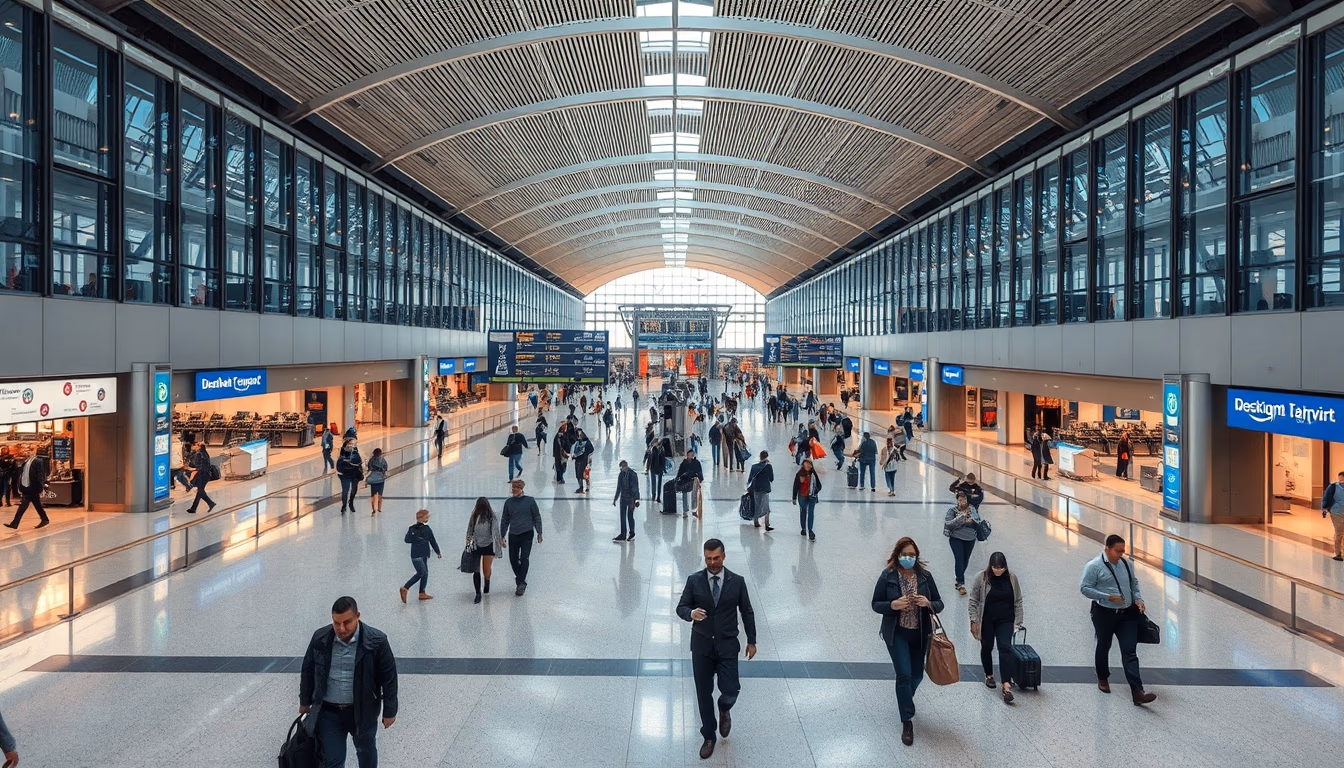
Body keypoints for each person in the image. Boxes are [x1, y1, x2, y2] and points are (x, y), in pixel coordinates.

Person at [676, 538, 757, 760]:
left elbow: (747, 611)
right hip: (701, 646)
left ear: (724, 556)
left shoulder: (737, 582)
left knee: (731, 688)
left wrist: (751, 640)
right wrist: (690, 613)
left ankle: (724, 708)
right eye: (708, 558)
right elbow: (681, 607)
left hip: (727, 645)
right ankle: (709, 736)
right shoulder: (694, 580)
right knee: (703, 693)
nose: (712, 562)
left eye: (716, 558)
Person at [299, 596, 398, 768]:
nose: (341, 629)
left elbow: (389, 678)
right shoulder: (320, 638)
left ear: (358, 616)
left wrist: (390, 711)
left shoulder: (377, 641)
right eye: (336, 623)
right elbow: (308, 670)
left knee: (366, 752)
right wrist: (305, 702)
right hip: (329, 712)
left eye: (347, 622)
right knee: (332, 761)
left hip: (363, 711)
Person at [871, 536, 943, 746]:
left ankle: (905, 699)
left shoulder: (925, 577)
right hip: (897, 633)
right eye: (905, 555)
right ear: (897, 555)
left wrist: (928, 603)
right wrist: (892, 605)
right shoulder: (888, 576)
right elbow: (875, 603)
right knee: (904, 674)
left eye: (912, 555)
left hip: (920, 634)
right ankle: (907, 720)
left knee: (917, 675)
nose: (908, 558)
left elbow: (939, 603)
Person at [1080, 534, 1157, 705]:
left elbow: (1134, 584)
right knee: (1104, 645)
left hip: (1127, 615)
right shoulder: (1094, 566)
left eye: (1123, 550)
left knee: (1130, 651)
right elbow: (1084, 588)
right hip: (1104, 613)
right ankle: (1102, 677)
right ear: (1107, 548)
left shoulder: (1127, 564)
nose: (1121, 553)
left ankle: (1138, 691)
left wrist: (1138, 599)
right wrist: (1107, 596)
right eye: (1118, 550)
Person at [968, 551, 1023, 704]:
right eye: (995, 567)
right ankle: (989, 674)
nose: (998, 570)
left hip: (1006, 620)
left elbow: (1018, 600)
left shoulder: (1012, 579)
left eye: (1001, 567)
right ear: (990, 566)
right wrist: (973, 620)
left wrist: (1019, 621)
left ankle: (1006, 684)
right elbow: (973, 600)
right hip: (987, 620)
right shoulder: (981, 578)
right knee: (987, 647)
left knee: (1005, 648)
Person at [499, 479, 543, 596]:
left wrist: (539, 533)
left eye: (516, 488)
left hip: (527, 533)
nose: (513, 490)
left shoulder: (530, 501)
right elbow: (505, 519)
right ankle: (520, 579)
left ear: (521, 488)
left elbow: (536, 517)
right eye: (512, 487)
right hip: (513, 534)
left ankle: (521, 583)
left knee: (524, 558)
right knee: (513, 559)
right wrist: (502, 535)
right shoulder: (508, 502)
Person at [944, 492, 982, 594]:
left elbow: (978, 521)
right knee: (959, 559)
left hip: (970, 538)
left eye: (964, 499)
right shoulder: (952, 511)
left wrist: (972, 521)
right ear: (957, 500)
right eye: (960, 500)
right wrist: (961, 520)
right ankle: (960, 583)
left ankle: (958, 575)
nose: (963, 502)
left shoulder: (972, 509)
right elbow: (948, 523)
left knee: (965, 559)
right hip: (956, 538)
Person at [465, 497, 503, 604]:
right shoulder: (474, 516)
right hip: (476, 545)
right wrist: (468, 539)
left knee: (486, 569)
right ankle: (478, 593)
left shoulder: (492, 516)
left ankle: (487, 584)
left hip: (488, 545)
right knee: (476, 570)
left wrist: (498, 544)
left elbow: (496, 531)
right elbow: (470, 528)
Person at [400, 509, 442, 602]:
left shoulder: (424, 529)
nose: (428, 519)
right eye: (426, 517)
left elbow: (432, 540)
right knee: (421, 572)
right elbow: (407, 540)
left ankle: (422, 592)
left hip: (422, 554)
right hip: (418, 555)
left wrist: (438, 551)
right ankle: (405, 587)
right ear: (421, 518)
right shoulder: (414, 529)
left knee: (425, 573)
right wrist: (438, 552)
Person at [791, 458, 822, 541]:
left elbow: (819, 485)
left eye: (809, 464)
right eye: (806, 464)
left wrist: (815, 491)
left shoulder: (813, 474)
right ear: (803, 465)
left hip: (812, 496)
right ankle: (803, 528)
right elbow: (795, 486)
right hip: (802, 495)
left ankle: (810, 531)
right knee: (803, 511)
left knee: (811, 512)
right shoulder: (799, 474)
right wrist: (794, 497)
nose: (808, 466)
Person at [612, 459, 641, 542]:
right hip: (623, 498)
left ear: (626, 466)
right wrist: (615, 498)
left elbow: (635, 488)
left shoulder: (633, 474)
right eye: (622, 467)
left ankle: (632, 532)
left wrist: (636, 499)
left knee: (630, 515)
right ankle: (623, 534)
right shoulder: (621, 475)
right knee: (623, 516)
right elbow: (619, 487)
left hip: (631, 498)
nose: (623, 468)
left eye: (624, 466)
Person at [184, 442, 215, 516]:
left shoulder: (198, 454)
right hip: (206, 474)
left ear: (197, 446)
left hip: (202, 475)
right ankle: (196, 507)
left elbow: (199, 468)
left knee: (200, 491)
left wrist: (190, 470)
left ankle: (209, 504)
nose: (192, 447)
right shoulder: (204, 452)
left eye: (193, 446)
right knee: (200, 491)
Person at [747, 450, 774, 531]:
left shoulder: (754, 467)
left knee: (757, 505)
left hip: (756, 488)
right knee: (766, 507)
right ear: (767, 457)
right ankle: (767, 524)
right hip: (765, 488)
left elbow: (750, 479)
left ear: (760, 457)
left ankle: (756, 521)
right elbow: (771, 478)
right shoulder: (768, 466)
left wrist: (748, 488)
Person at [336, 437, 363, 514]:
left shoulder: (355, 452)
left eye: (352, 444)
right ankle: (344, 505)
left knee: (354, 490)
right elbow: (339, 464)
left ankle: (351, 501)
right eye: (349, 443)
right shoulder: (342, 452)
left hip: (354, 474)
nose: (350, 445)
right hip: (345, 475)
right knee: (345, 491)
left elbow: (359, 461)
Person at [675, 448, 704, 517]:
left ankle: (694, 510)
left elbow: (699, 472)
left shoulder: (696, 462)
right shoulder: (684, 463)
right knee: (685, 495)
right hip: (685, 480)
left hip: (693, 480)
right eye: (689, 454)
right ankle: (685, 511)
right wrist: (677, 479)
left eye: (691, 454)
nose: (690, 456)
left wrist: (700, 480)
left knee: (694, 495)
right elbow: (679, 473)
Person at [1323, 470, 1344, 561]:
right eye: (1340, 479)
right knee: (1339, 532)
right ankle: (1338, 553)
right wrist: (1324, 508)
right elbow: (1326, 497)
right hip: (1336, 512)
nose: (1341, 481)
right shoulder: (1333, 486)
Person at [365, 448, 388, 515]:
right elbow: (386, 468)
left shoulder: (371, 460)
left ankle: (373, 509)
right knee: (380, 495)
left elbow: (369, 468)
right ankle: (379, 508)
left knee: (373, 495)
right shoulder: (383, 460)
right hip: (381, 479)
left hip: (373, 480)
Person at [571, 429, 594, 494]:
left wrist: (587, 458)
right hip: (578, 460)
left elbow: (591, 450)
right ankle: (580, 487)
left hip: (584, 460)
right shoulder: (577, 442)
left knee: (585, 474)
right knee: (578, 474)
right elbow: (574, 449)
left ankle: (587, 487)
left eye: (580, 434)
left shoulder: (587, 442)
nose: (579, 436)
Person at [645, 436, 667, 502]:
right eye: (655, 442)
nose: (656, 443)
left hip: (659, 467)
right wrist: (647, 468)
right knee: (654, 482)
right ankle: (654, 494)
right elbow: (649, 459)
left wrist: (663, 468)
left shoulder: (661, 449)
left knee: (658, 482)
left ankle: (658, 496)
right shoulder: (652, 449)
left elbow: (663, 459)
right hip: (653, 467)